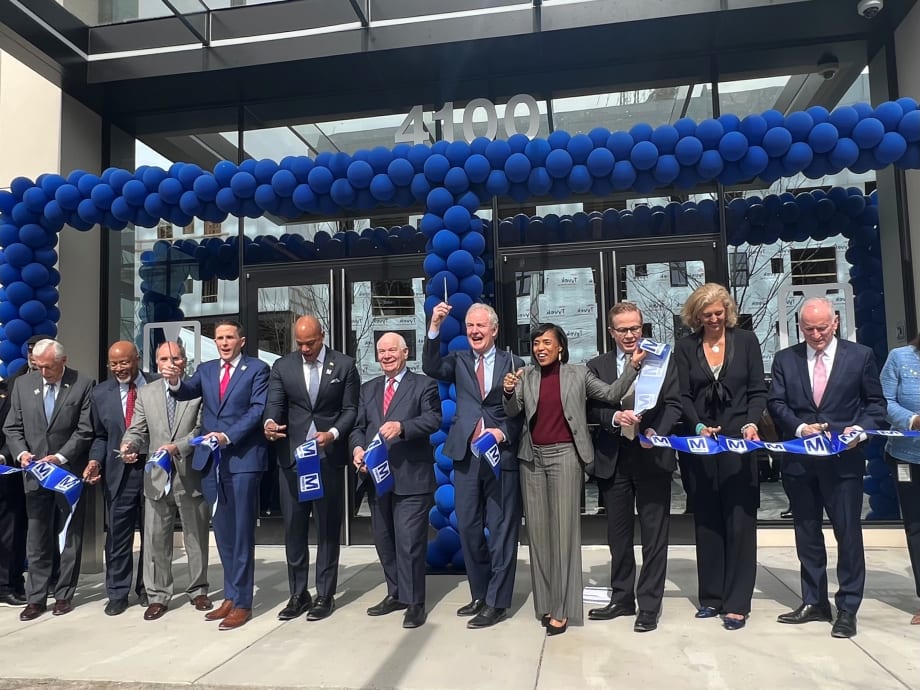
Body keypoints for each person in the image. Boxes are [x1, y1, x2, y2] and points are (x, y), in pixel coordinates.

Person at [503, 323, 643, 635]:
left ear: (560, 348)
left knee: (564, 535)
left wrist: (633, 367)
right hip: (532, 459)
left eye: (547, 342)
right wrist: (509, 391)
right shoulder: (526, 375)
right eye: (536, 342)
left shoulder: (578, 374)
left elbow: (610, 394)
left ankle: (563, 609)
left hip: (566, 456)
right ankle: (547, 604)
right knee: (538, 536)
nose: (540, 348)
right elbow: (513, 411)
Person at [768, 297, 886, 639]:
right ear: (799, 326)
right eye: (809, 329)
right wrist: (800, 427)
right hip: (800, 462)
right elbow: (775, 402)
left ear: (835, 322)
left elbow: (875, 404)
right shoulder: (784, 359)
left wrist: (859, 429)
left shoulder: (860, 356)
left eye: (822, 327)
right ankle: (814, 600)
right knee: (807, 534)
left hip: (843, 461)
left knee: (848, 534)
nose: (816, 335)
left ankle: (847, 607)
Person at [422, 302, 524, 628]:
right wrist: (434, 326)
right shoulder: (459, 360)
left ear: (494, 329)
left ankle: (497, 602)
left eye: (481, 326)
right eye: (470, 326)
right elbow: (430, 366)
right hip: (467, 455)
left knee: (502, 530)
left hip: (500, 456)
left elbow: (521, 414)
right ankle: (480, 593)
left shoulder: (514, 362)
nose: (475, 332)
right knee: (467, 528)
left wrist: (502, 433)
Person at [163, 320, 269, 631]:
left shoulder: (257, 369)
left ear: (242, 340)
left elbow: (256, 410)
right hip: (212, 463)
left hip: (243, 460)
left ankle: (244, 603)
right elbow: (186, 392)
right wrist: (173, 379)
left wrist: (227, 436)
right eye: (219, 338)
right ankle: (231, 595)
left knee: (241, 532)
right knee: (222, 532)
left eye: (229, 337)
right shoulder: (207, 369)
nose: (223, 343)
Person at [674, 283, 766, 631]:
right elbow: (681, 395)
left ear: (728, 312)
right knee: (708, 520)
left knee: (740, 521)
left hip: (739, 441)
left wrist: (752, 423)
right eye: (706, 315)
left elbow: (758, 390)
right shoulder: (685, 347)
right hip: (701, 444)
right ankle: (711, 597)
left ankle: (737, 602)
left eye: (718, 313)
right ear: (695, 317)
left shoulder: (746, 341)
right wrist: (697, 427)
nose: (713, 319)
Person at [586, 302, 683, 633]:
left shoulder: (662, 358)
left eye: (635, 328)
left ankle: (649, 605)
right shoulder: (596, 365)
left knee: (655, 536)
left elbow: (674, 403)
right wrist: (614, 417)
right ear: (612, 332)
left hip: (652, 455)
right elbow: (593, 410)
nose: (630, 335)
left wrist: (659, 432)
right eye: (623, 330)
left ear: (643, 328)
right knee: (618, 535)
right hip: (615, 458)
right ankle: (622, 597)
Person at [263, 315, 360, 622]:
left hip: (326, 459)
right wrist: (269, 423)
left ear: (322, 336)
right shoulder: (283, 367)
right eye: (300, 343)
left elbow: (350, 410)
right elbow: (274, 404)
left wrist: (332, 434)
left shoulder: (344, 366)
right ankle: (298, 593)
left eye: (311, 343)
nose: (305, 348)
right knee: (294, 529)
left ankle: (326, 593)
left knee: (328, 530)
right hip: (293, 461)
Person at [351, 332, 441, 629]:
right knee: (385, 540)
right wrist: (357, 448)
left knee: (409, 542)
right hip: (377, 478)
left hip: (411, 477)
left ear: (405, 353)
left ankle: (415, 603)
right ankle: (396, 593)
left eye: (392, 350)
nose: (386, 355)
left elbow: (433, 420)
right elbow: (358, 427)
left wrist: (403, 427)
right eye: (381, 351)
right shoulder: (368, 389)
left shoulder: (424, 385)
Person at [2, 339, 94, 620]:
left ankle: (64, 594)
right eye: (38, 366)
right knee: (37, 535)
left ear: (63, 362)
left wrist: (60, 458)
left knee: (68, 535)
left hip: (66, 472)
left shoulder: (82, 384)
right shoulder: (23, 385)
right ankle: (36, 597)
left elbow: (85, 429)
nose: (43, 372)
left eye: (49, 367)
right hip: (33, 474)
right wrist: (21, 453)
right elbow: (12, 427)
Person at [121, 341, 211, 621]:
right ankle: (158, 595)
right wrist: (129, 445)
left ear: (184, 361)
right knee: (156, 539)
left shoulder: (197, 392)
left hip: (189, 474)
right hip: (158, 477)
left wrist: (179, 446)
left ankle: (198, 590)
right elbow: (136, 428)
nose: (169, 362)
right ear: (156, 363)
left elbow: (200, 429)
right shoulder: (146, 393)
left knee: (195, 536)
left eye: (175, 357)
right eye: (163, 358)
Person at [86, 341, 157, 616]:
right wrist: (95, 460)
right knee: (118, 536)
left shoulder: (156, 385)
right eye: (113, 364)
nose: (119, 369)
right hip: (118, 474)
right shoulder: (100, 393)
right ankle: (117, 592)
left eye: (124, 362)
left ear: (137, 359)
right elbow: (100, 436)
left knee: (151, 533)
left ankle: (146, 588)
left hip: (151, 469)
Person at [880, 334, 920, 625]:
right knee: (916, 529)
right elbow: (884, 401)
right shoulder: (900, 357)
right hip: (907, 457)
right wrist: (914, 420)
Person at [0, 360, 29, 607]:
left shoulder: (7, 390)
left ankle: (9, 584)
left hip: (6, 472)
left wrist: (4, 455)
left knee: (13, 530)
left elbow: (12, 430)